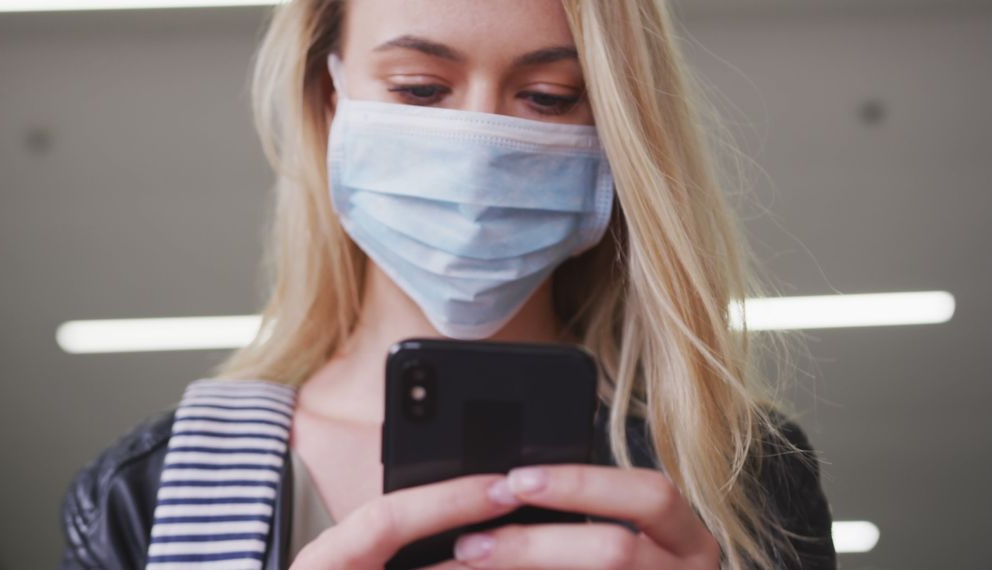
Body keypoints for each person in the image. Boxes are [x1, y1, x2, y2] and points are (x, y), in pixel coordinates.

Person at [59, 0, 837, 568]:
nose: (478, 150)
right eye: (420, 89)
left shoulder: (731, 475)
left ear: (615, 128)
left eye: (547, 98)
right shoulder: (155, 496)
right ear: (332, 103)